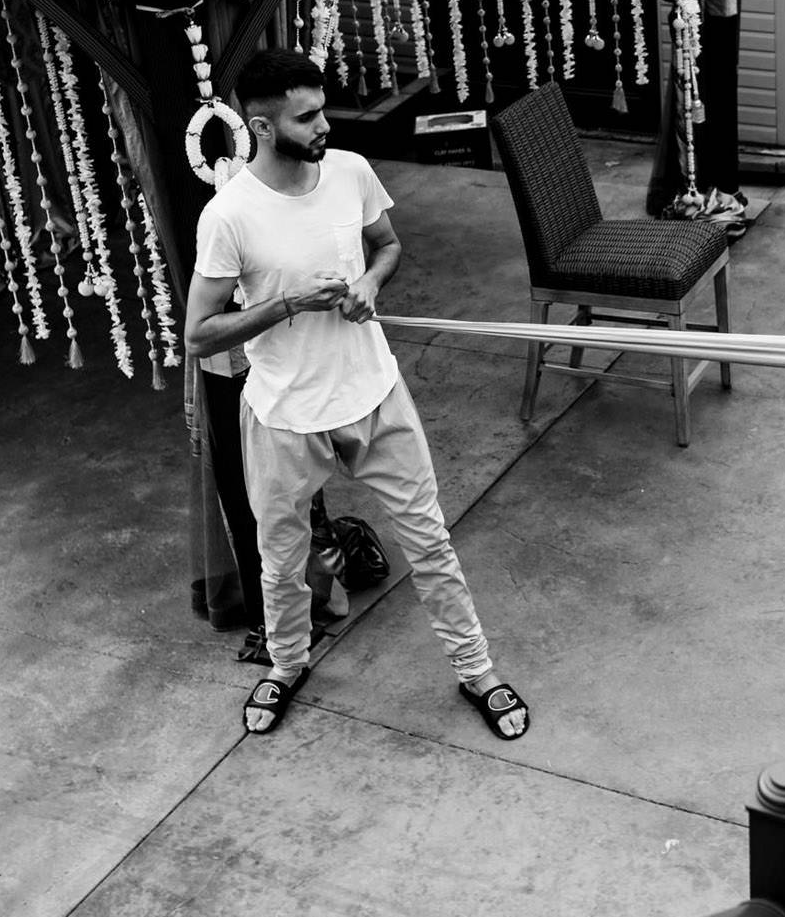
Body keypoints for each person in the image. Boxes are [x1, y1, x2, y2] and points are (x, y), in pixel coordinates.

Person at [183, 49, 529, 741]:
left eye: (321, 108)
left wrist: (371, 282)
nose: (323, 125)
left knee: (430, 543)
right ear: (261, 123)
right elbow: (198, 333)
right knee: (280, 563)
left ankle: (477, 670)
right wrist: (287, 302)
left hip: (374, 396)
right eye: (306, 116)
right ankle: (287, 664)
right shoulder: (230, 215)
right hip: (284, 416)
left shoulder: (351, 172)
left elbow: (388, 245)